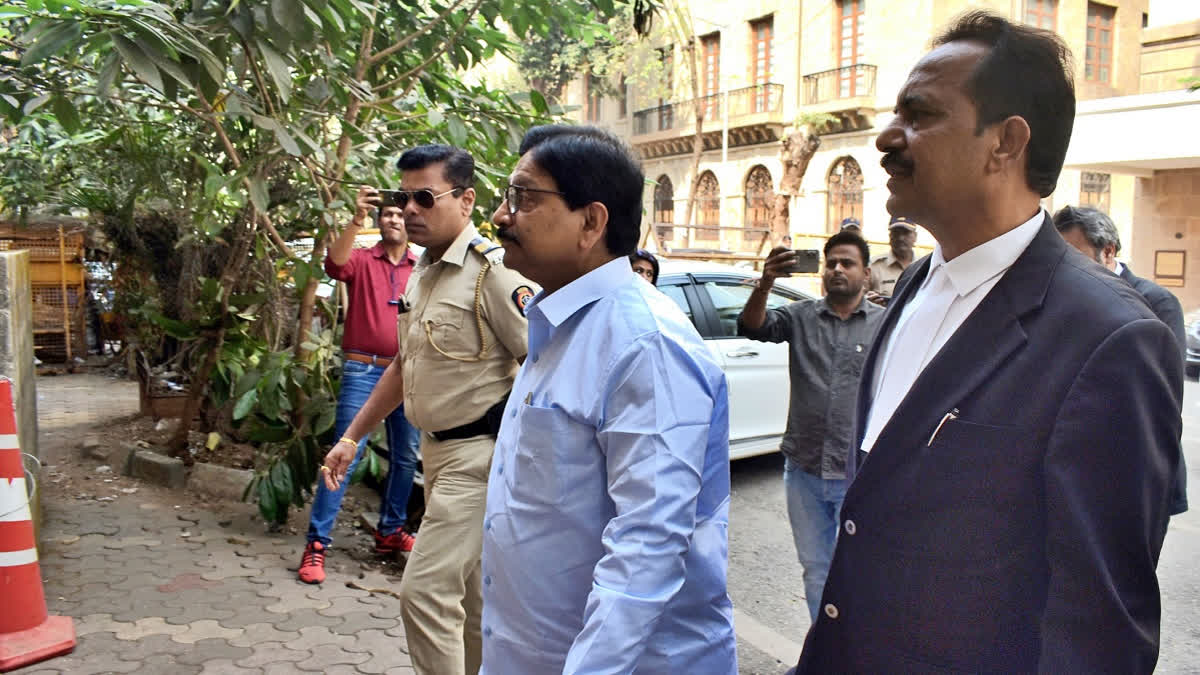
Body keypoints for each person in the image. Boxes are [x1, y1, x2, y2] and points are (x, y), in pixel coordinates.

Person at [795, 12, 1183, 673]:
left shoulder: (1109, 338)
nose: (887, 137)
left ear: (1005, 142)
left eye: (920, 114)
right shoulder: (914, 285)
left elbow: (1098, 639)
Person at [480, 125, 737, 673]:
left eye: (523, 198)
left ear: (591, 222)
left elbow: (646, 548)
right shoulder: (561, 326)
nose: (501, 217)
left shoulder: (645, 343)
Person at [322, 144, 533, 675]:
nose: (410, 209)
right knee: (471, 599)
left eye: (423, 197)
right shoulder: (424, 270)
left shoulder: (495, 275)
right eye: (401, 197)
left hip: (479, 459)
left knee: (423, 593)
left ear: (465, 200)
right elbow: (403, 365)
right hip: (435, 458)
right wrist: (353, 436)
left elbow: (544, 365)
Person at [737, 231, 884, 623]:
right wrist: (765, 283)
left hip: (856, 473)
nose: (837, 269)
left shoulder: (884, 326)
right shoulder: (800, 317)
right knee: (817, 569)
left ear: (866, 274)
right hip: (803, 470)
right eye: (831, 262)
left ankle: (859, 650)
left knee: (861, 571)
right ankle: (826, 650)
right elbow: (753, 327)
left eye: (847, 262)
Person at [297, 187, 423, 584]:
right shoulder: (361, 260)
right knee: (343, 454)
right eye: (386, 214)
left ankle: (390, 532)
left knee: (406, 456)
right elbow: (333, 265)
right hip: (362, 369)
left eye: (400, 215)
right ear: (380, 219)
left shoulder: (421, 268)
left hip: (406, 373)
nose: (394, 220)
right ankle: (316, 545)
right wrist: (356, 218)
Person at [1054, 205, 1187, 519]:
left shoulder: (1156, 301)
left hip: (1138, 469)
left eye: (1074, 254)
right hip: (1078, 470)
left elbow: (1163, 396)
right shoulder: (1064, 296)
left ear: (1108, 251)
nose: (1063, 266)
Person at [866, 216, 917, 304]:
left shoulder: (926, 266)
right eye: (896, 233)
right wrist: (869, 301)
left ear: (915, 236)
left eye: (905, 233)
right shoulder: (874, 266)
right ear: (890, 236)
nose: (900, 238)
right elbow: (858, 299)